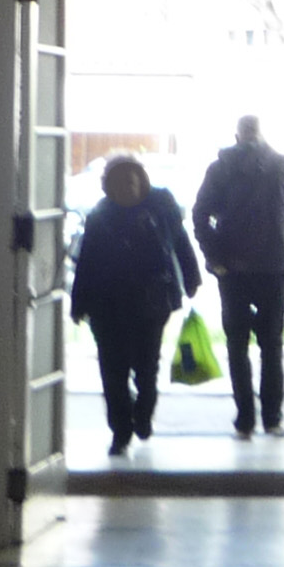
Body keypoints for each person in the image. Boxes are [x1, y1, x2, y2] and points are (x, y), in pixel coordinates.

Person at [68, 154, 199, 458]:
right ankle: (120, 430)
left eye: (132, 180)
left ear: (142, 180)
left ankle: (142, 414)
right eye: (119, 182)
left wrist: (191, 278)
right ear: (108, 188)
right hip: (107, 306)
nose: (127, 187)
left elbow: (180, 243)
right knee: (112, 372)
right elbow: (87, 262)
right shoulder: (100, 216)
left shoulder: (162, 207)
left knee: (146, 367)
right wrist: (79, 304)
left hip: (150, 303)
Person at [192, 113, 284, 438]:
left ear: (237, 135)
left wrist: (215, 258)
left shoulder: (221, 168)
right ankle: (272, 418)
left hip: (234, 268)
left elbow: (200, 214)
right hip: (272, 265)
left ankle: (245, 420)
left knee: (238, 345)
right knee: (271, 345)